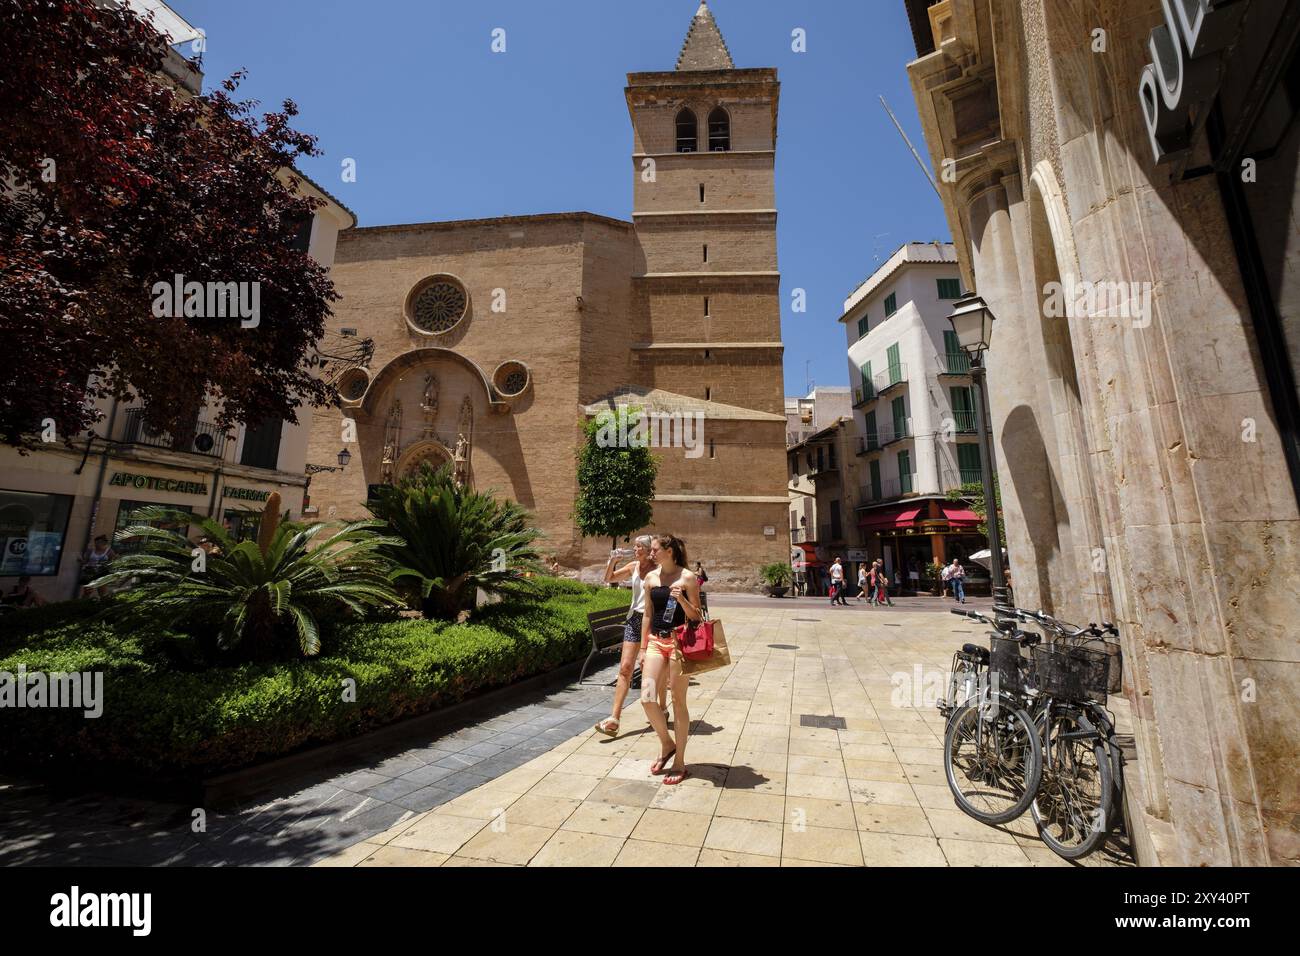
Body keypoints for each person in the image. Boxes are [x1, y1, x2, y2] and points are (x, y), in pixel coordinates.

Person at [640, 533, 703, 786]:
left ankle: (680, 762)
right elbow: (647, 613)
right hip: (656, 640)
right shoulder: (651, 577)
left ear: (669, 552)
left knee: (678, 701)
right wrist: (643, 648)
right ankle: (667, 744)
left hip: (679, 642)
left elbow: (697, 616)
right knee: (646, 697)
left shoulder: (687, 577)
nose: (651, 553)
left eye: (655, 549)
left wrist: (681, 599)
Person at [596, 536, 659, 737]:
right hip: (634, 620)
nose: (635, 549)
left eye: (639, 546)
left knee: (651, 672)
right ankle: (614, 718)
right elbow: (609, 579)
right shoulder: (633, 566)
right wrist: (612, 561)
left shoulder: (658, 569)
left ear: (649, 550)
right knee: (625, 668)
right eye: (635, 546)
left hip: (652, 622)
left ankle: (659, 709)